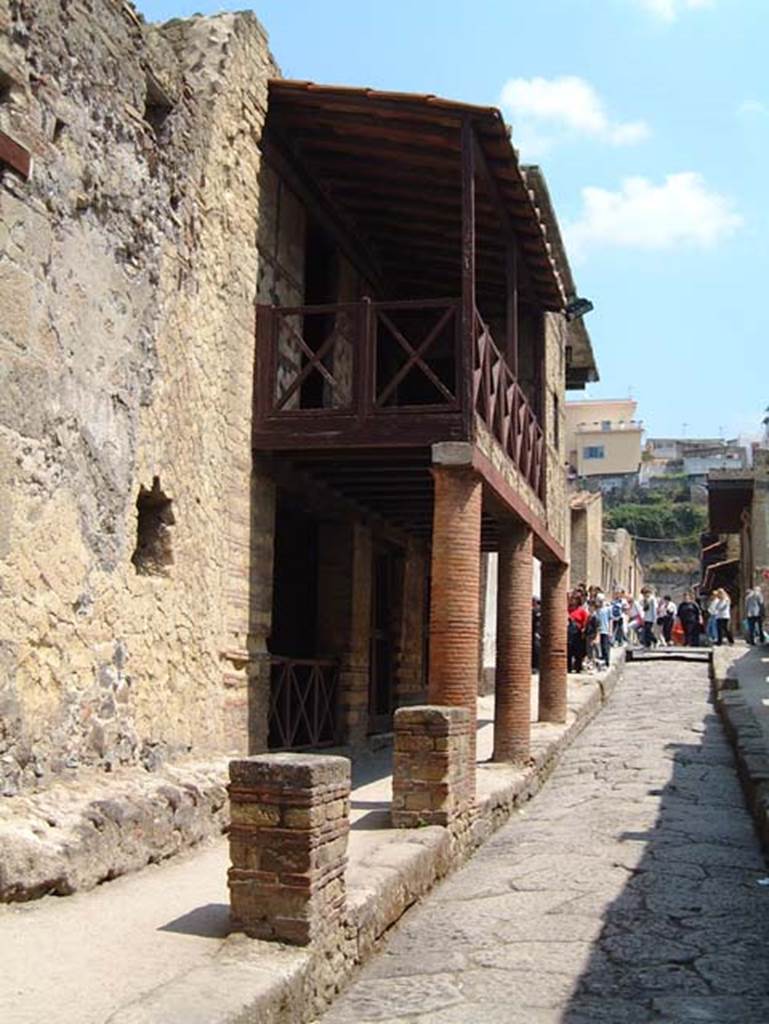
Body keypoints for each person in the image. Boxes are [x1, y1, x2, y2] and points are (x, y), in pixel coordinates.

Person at [568, 592, 589, 673]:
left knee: (578, 652)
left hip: (578, 633)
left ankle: (578, 668)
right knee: (569, 650)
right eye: (572, 599)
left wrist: (583, 630)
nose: (573, 601)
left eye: (575, 599)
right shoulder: (568, 610)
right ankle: (568, 668)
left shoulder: (582, 611)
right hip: (569, 633)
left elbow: (586, 621)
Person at [597, 597, 612, 667]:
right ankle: (602, 661)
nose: (600, 602)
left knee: (605, 647)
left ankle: (607, 661)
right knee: (599, 647)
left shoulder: (607, 609)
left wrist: (610, 630)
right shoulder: (597, 610)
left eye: (601, 600)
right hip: (598, 631)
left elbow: (610, 620)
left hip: (605, 630)